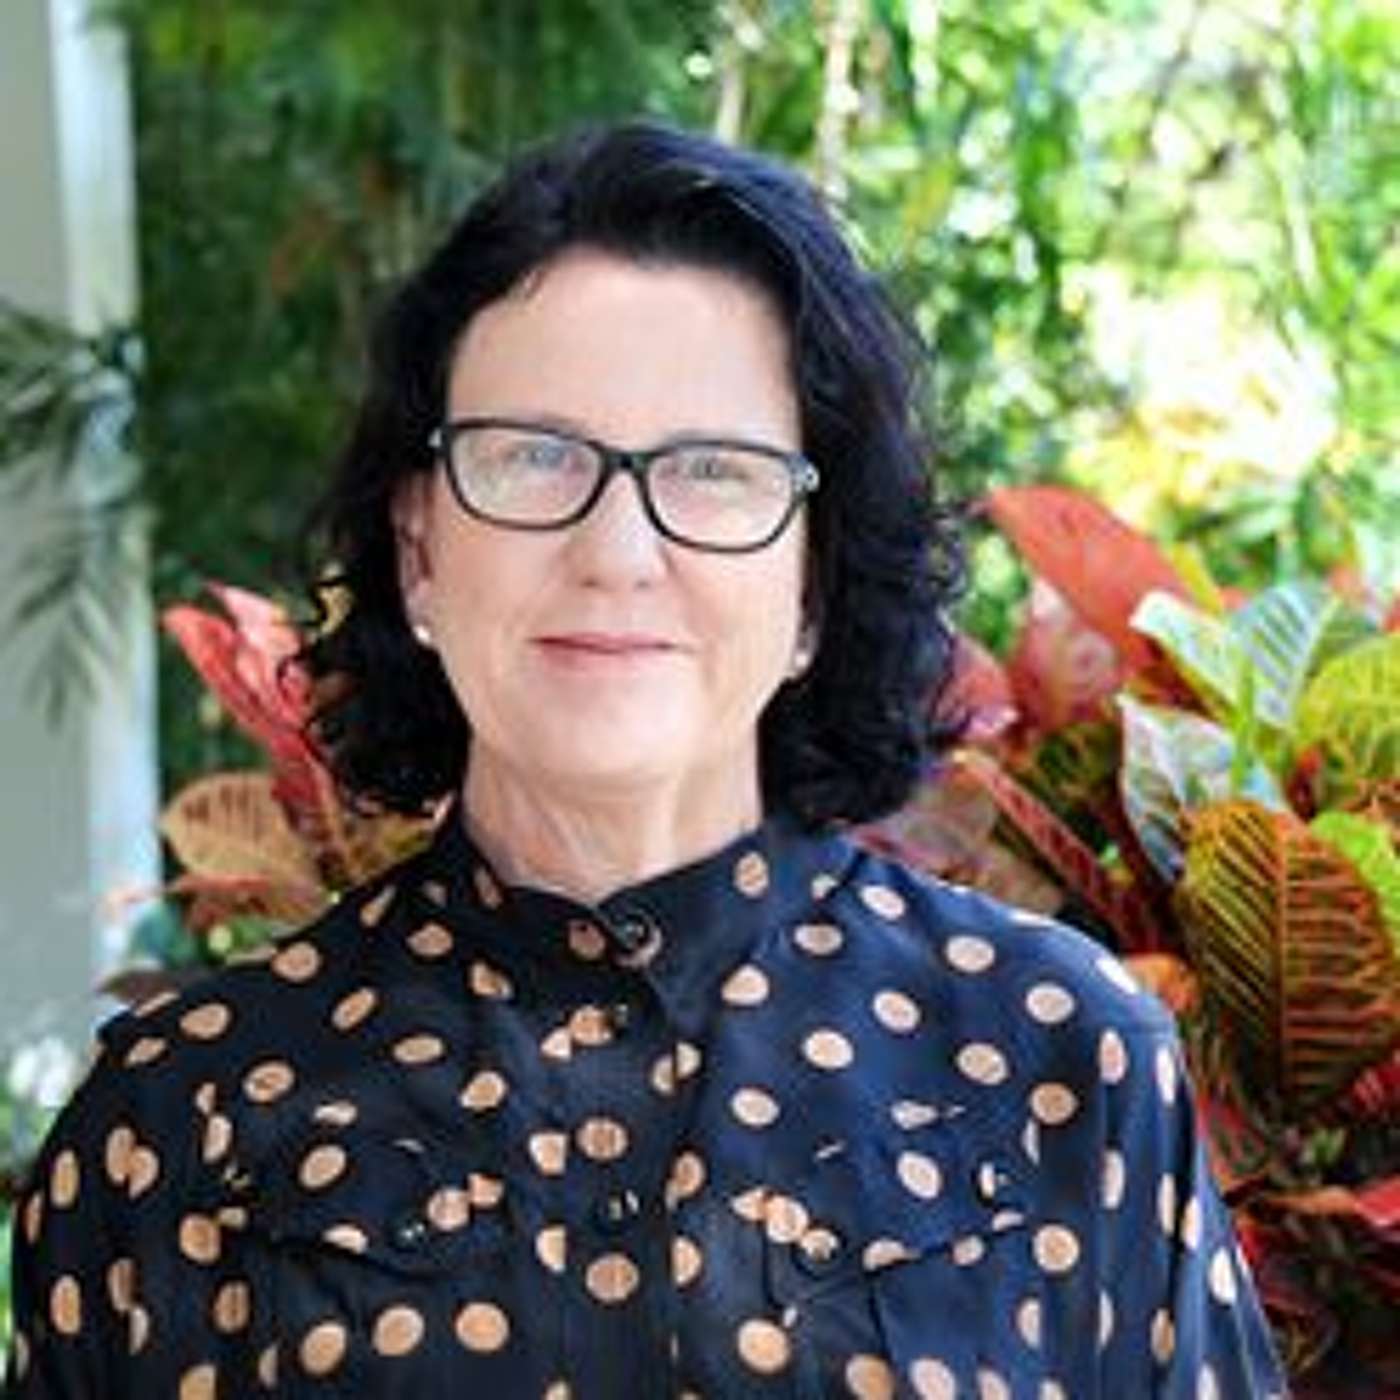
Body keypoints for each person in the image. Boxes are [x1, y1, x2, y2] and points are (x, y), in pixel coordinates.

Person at [4, 121, 1285, 1399]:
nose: (617, 551)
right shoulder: (180, 1117)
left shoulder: (1055, 1056)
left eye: (714, 471)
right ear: (418, 547)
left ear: (812, 581)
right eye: (533, 457)